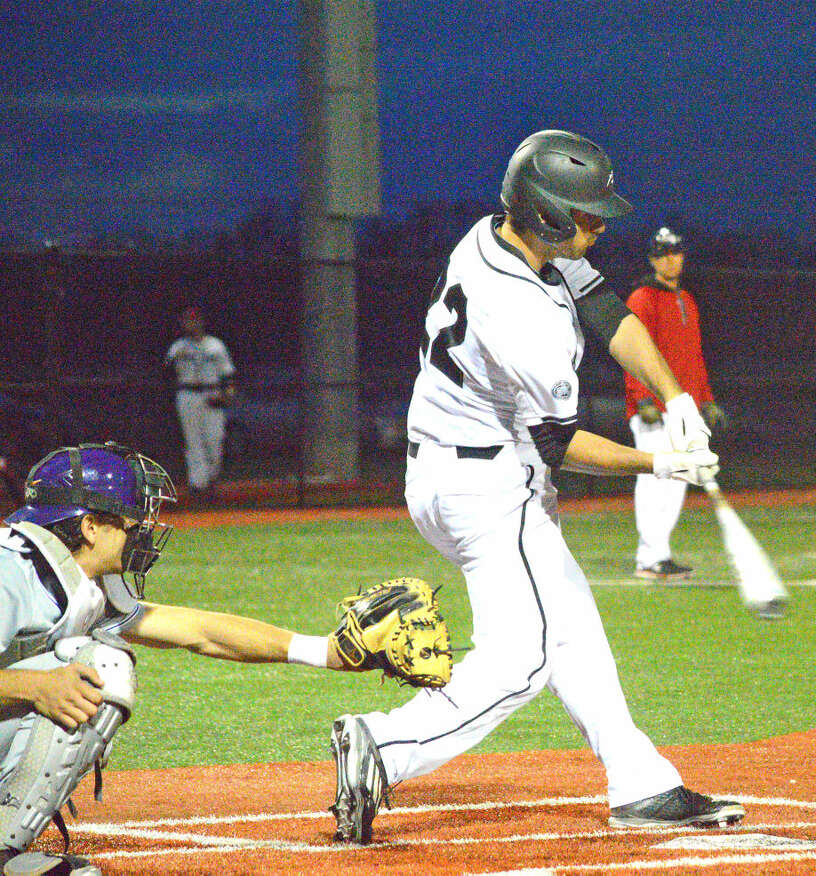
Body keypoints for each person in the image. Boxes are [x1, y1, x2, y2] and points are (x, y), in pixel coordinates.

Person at [328, 129, 742, 846]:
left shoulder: (495, 236)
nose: (600, 224)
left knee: (574, 628)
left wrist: (676, 402)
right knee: (524, 658)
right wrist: (661, 465)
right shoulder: (518, 311)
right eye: (585, 213)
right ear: (546, 213)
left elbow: (608, 311)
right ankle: (383, 746)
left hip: (454, 471)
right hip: (489, 486)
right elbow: (560, 446)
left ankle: (640, 780)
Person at [0, 442, 355, 876]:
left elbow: (199, 632)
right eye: (130, 522)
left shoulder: (82, 580)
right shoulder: (11, 571)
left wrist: (327, 652)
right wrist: (34, 686)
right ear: (91, 526)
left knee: (92, 667)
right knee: (100, 666)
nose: (140, 533)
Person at [624, 227, 726, 581]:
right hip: (654, 407)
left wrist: (706, 398)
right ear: (652, 258)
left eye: (676, 252)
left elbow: (694, 356)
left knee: (678, 481)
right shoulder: (642, 297)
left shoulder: (687, 299)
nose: (671, 258)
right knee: (655, 481)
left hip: (683, 408)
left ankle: (659, 555)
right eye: (663, 252)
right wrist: (641, 397)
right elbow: (634, 351)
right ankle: (648, 558)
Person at [164, 307, 236, 502]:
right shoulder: (178, 347)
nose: (191, 324)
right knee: (192, 441)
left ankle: (211, 478)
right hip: (187, 394)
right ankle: (198, 485)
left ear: (202, 322)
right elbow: (166, 373)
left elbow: (227, 374)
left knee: (215, 439)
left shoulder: (215, 345)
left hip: (211, 393)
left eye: (194, 320)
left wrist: (227, 395)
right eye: (187, 320)